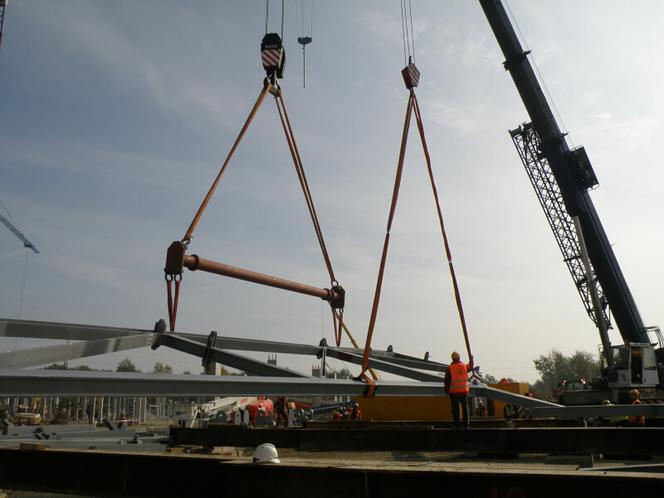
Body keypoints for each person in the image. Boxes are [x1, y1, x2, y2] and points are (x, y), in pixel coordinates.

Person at [444, 351, 474, 429]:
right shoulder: (463, 366)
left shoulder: (449, 368)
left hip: (454, 392)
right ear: (459, 358)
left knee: (455, 410)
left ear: (452, 358)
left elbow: (447, 380)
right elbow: (470, 366)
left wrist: (446, 391)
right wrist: (471, 359)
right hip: (464, 391)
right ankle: (466, 425)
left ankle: (456, 425)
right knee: (465, 409)